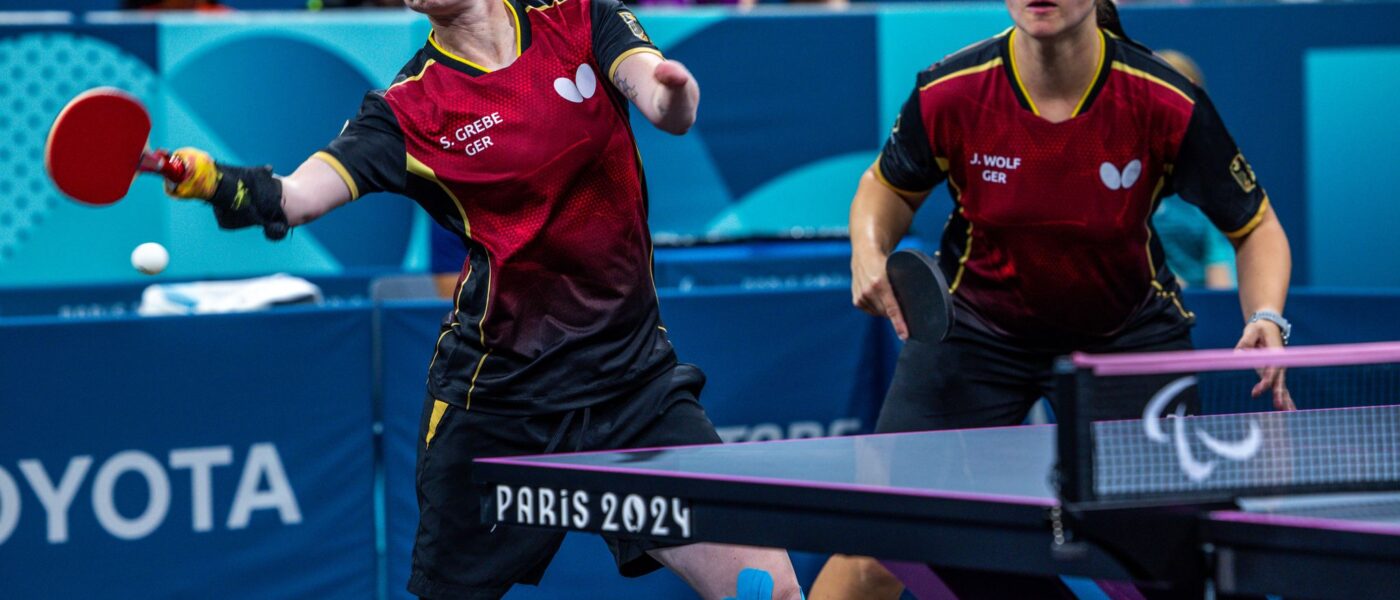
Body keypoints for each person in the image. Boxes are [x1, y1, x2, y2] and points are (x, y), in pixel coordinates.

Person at [162, 0, 802, 598]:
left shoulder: (580, 18)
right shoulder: (407, 109)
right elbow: (298, 196)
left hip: (632, 387)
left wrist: (674, 96)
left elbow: (656, 97)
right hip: (499, 405)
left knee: (765, 585)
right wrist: (218, 182)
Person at [812, 0, 1293, 597]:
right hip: (975, 333)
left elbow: (1256, 227)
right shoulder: (952, 90)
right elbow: (884, 188)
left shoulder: (1164, 100)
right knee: (879, 547)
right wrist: (867, 249)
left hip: (1124, 339)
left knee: (1165, 562)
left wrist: (1267, 316)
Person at [1154, 49, 1235, 290]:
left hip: (1203, 301)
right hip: (1150, 304)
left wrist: (1219, 306)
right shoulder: (1127, 168)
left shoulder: (1215, 166)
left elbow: (1219, 253)